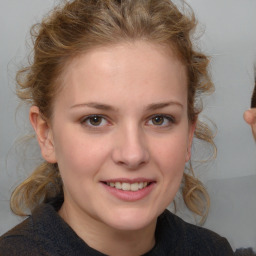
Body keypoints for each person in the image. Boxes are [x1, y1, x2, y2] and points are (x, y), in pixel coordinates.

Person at [0, 0, 234, 255]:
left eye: (159, 119)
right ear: (46, 135)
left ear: (189, 135)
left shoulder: (214, 250)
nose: (132, 154)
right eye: (95, 120)